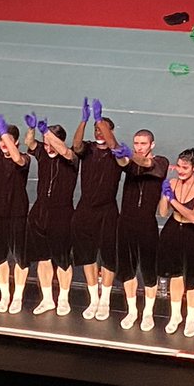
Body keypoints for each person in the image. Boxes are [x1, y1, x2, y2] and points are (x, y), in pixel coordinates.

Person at [69, 98, 128, 321]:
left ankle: (106, 299)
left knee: (108, 256)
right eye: (96, 129)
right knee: (87, 255)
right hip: (86, 208)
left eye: (102, 129)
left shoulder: (118, 151)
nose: (99, 132)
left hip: (108, 211)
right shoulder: (89, 149)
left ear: (110, 130)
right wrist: (84, 121)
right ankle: (94, 298)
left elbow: (114, 147)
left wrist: (99, 119)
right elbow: (76, 146)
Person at [24, 114, 78, 315]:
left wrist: (46, 131)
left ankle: (63, 299)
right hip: (40, 211)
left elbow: (64, 151)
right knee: (43, 258)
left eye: (50, 143)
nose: (47, 147)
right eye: (45, 144)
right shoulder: (42, 154)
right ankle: (47, 299)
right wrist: (32, 129)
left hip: (61, 213)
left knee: (63, 259)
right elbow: (30, 143)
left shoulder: (72, 157)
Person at [116, 130, 170, 331]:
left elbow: (147, 164)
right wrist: (121, 154)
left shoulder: (161, 162)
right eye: (136, 143)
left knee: (148, 271)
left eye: (143, 143)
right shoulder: (129, 163)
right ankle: (132, 310)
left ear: (152, 145)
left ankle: (148, 312)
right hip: (126, 223)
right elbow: (123, 163)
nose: (139, 146)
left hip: (147, 224)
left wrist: (129, 153)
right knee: (128, 270)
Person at [157, 148, 194, 337]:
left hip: (191, 233)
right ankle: (175, 315)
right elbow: (163, 213)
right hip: (173, 229)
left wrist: (173, 200)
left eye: (185, 168)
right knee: (175, 275)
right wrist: (164, 195)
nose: (180, 171)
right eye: (179, 166)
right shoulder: (172, 182)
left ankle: (190, 319)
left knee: (192, 279)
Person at [0, 120, 31, 313]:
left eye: (8, 140)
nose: (3, 143)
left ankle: (18, 296)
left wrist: (5, 135)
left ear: (17, 142)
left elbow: (16, 158)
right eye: (1, 140)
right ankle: (5, 294)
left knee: (20, 257)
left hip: (18, 213)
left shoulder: (24, 158)